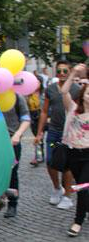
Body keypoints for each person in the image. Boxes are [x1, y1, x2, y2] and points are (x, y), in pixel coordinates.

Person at [35, 60, 81, 209]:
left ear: (70, 72)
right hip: (54, 133)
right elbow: (44, 111)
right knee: (50, 160)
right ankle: (57, 188)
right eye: (59, 71)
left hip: (70, 133)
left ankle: (67, 196)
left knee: (68, 165)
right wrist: (39, 132)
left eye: (65, 71)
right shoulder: (50, 89)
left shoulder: (77, 89)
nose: (61, 74)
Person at [0, 93, 31, 218]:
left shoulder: (16, 97)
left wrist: (18, 134)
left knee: (12, 174)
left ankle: (12, 204)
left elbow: (26, 118)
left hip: (12, 142)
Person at [60, 64, 88, 237]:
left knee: (83, 188)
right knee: (81, 186)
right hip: (73, 153)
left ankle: (77, 222)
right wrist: (72, 75)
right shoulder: (73, 108)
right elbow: (63, 91)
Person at [27, 75, 45, 166]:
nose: (36, 84)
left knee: (43, 139)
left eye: (38, 82)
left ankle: (38, 157)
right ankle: (40, 155)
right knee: (38, 138)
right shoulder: (28, 94)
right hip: (33, 118)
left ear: (41, 83)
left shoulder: (44, 94)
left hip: (43, 118)